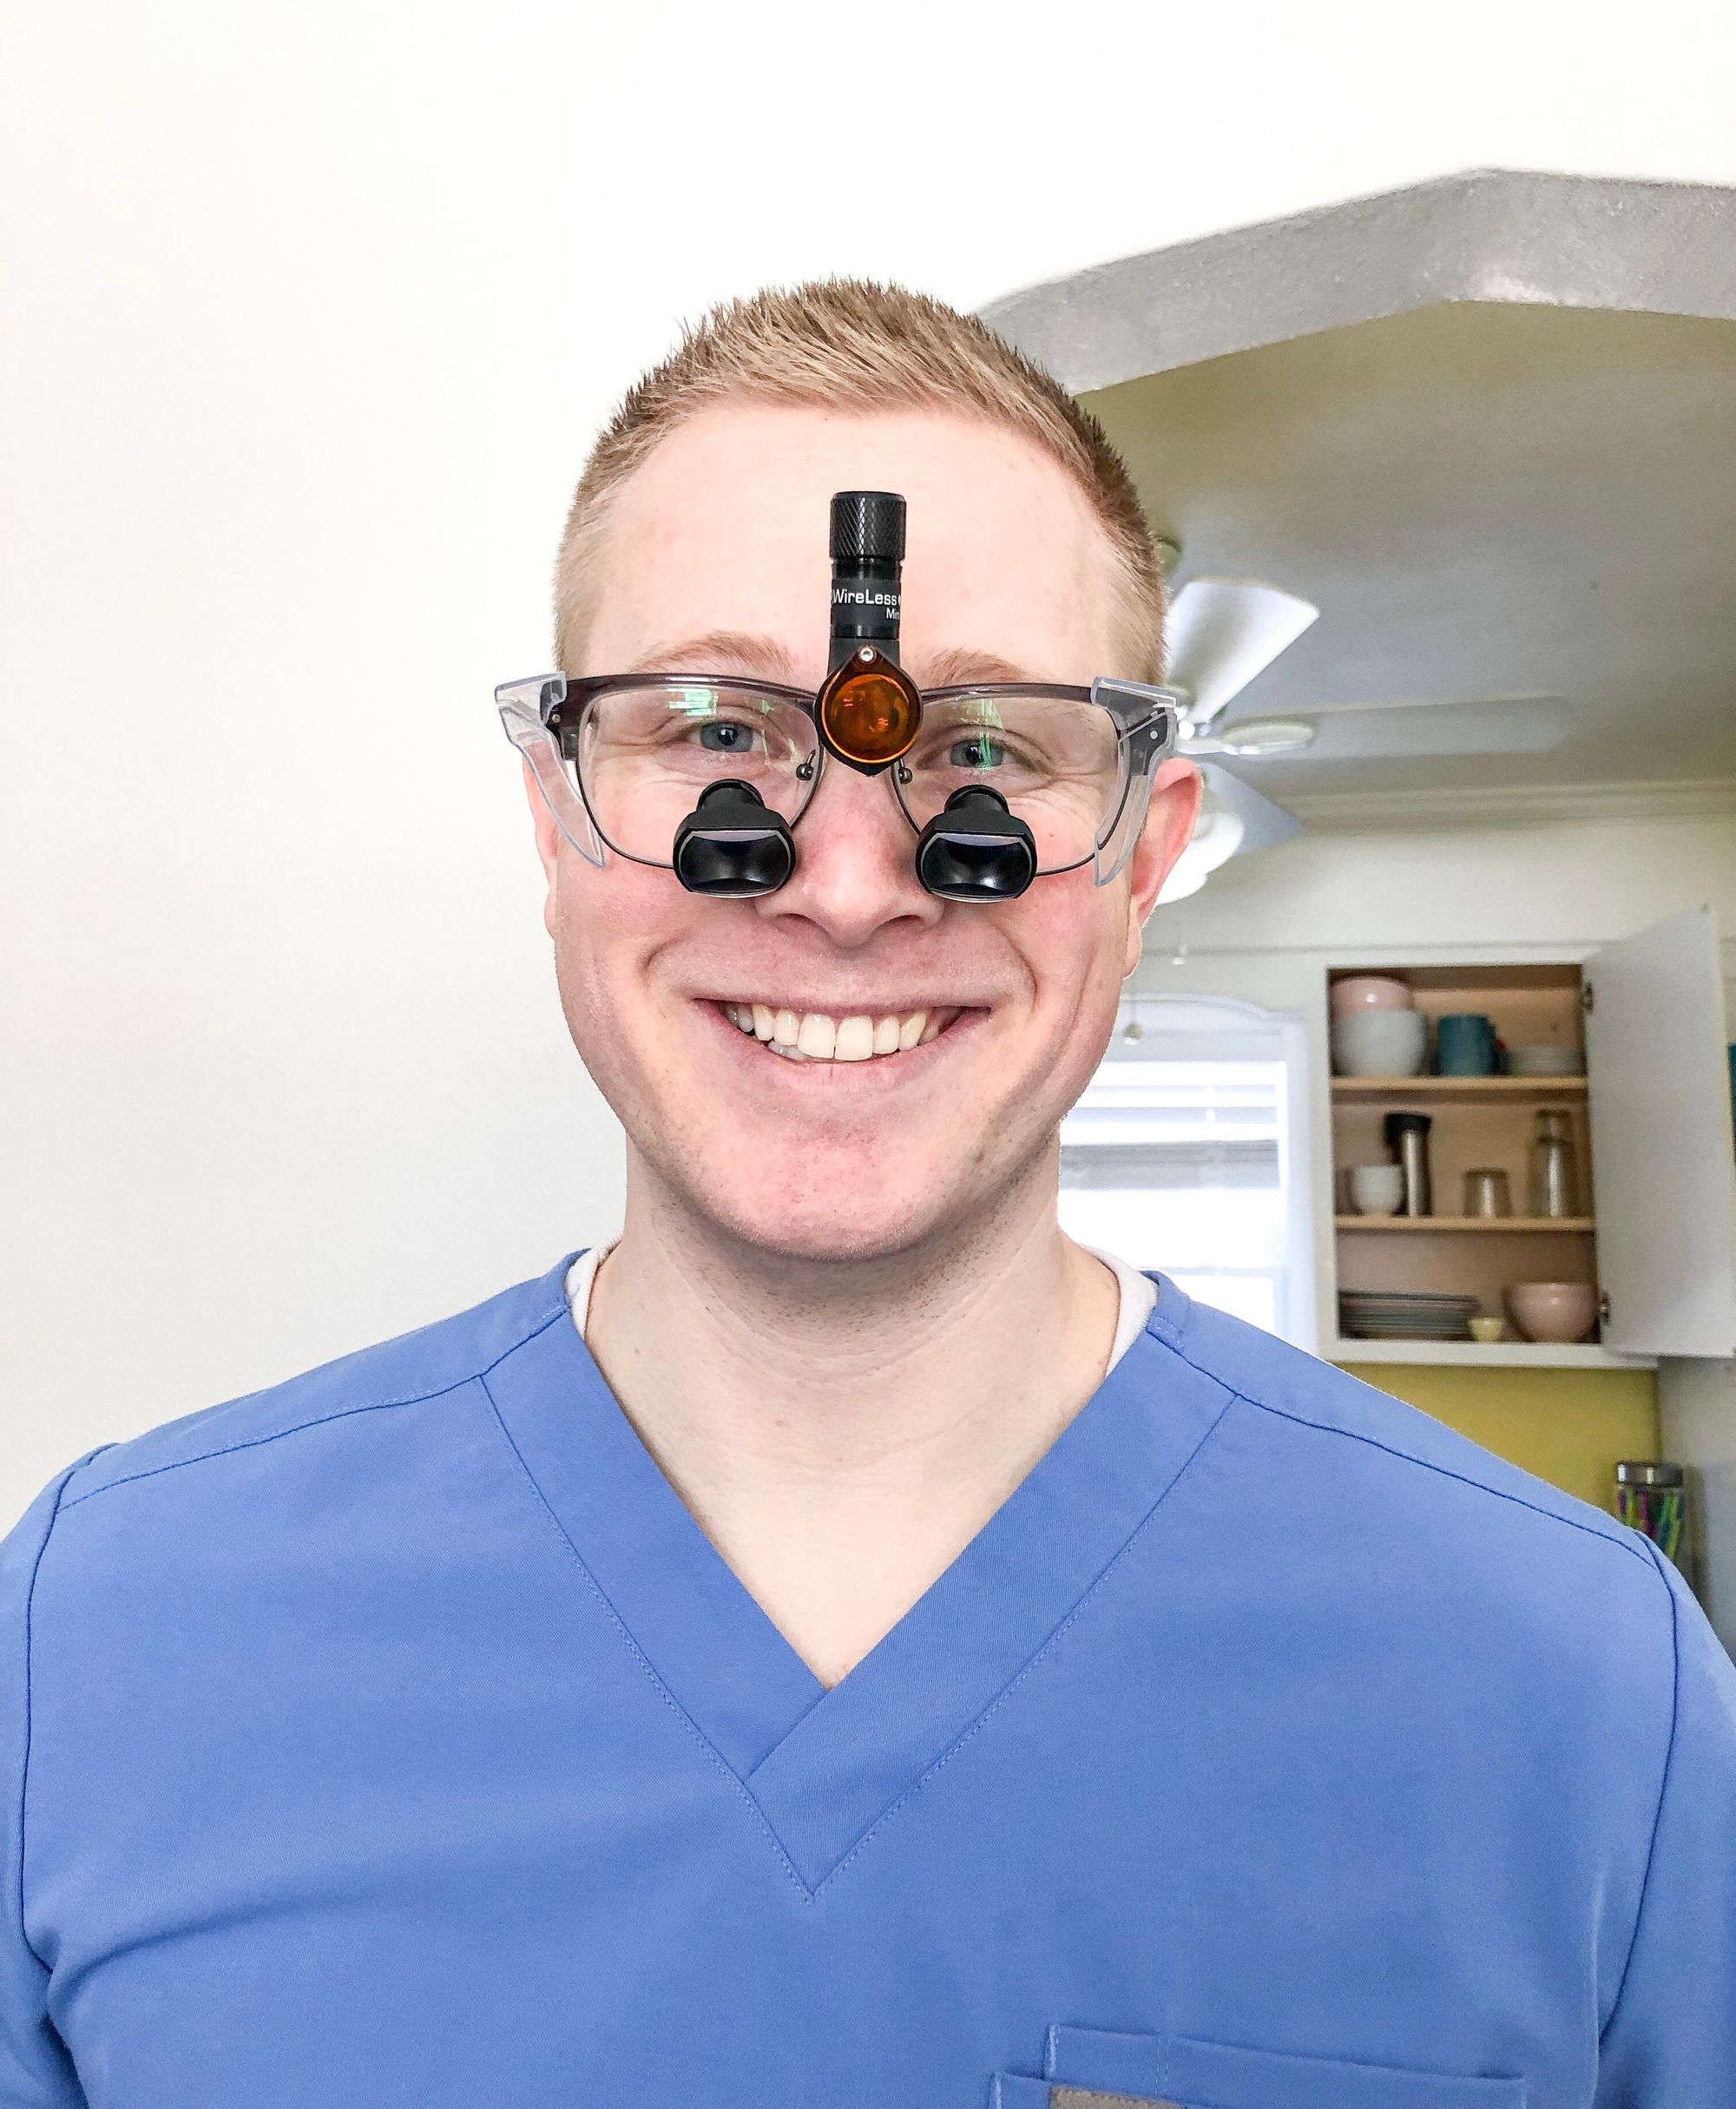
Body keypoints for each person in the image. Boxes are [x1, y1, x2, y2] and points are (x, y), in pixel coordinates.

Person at [3, 280, 1733, 2109]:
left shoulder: (1585, 1693)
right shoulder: (96, 1637)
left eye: (986, 753)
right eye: (712, 733)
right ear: (554, 818)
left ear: (1144, 856)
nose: (843, 885)